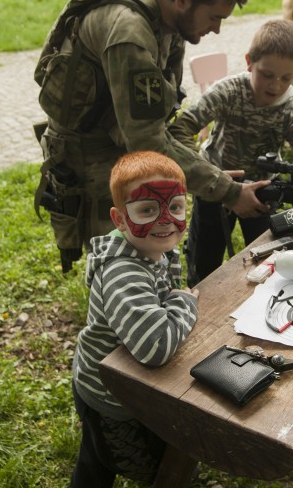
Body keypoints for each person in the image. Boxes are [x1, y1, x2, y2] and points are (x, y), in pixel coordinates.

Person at [36, 0, 268, 272]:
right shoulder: (130, 34)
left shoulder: (170, 20)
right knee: (122, 268)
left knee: (151, 258)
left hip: (120, 140)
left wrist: (210, 176)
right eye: (214, 17)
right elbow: (147, 141)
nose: (216, 29)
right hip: (90, 157)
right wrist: (228, 191)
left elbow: (159, 124)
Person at [169, 20, 293, 286]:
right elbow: (181, 129)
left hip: (262, 193)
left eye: (287, 78)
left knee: (270, 260)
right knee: (204, 262)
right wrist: (207, 174)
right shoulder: (229, 90)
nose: (276, 86)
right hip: (215, 186)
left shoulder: (291, 106)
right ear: (249, 62)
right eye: (267, 75)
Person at [70, 150, 199, 486]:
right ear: (119, 220)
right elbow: (156, 347)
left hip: (112, 379)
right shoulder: (123, 272)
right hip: (112, 395)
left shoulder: (153, 246)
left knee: (95, 463)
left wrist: (171, 303)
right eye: (147, 209)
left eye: (175, 206)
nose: (165, 220)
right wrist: (184, 303)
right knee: (159, 471)